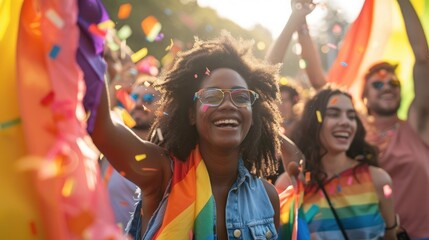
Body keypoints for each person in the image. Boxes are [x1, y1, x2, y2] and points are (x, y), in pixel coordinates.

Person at [91, 32, 283, 239]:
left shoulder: (267, 197)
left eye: (241, 97)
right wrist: (93, 42)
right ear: (192, 114)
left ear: (253, 115)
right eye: (212, 95)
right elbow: (102, 130)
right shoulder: (161, 173)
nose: (228, 105)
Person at [272, 0, 429, 237]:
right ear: (363, 95)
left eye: (393, 83)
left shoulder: (417, 124)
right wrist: (301, 22)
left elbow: (423, 58)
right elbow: (320, 86)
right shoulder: (354, 128)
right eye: (377, 83)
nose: (387, 87)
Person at [291, 88, 397, 239]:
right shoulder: (295, 184)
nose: (345, 122)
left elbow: (391, 235)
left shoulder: (378, 180)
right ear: (315, 121)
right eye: (333, 114)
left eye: (351, 116)